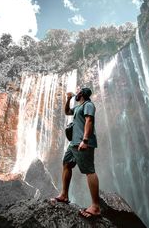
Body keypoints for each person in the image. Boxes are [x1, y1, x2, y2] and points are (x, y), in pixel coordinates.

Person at [51, 87, 101, 219]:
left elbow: (89, 121)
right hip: (73, 143)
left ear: (82, 94)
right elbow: (67, 111)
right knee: (66, 164)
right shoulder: (79, 107)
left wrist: (85, 140)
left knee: (89, 170)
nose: (76, 93)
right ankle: (64, 195)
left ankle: (95, 206)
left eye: (78, 92)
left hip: (83, 143)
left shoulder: (89, 105)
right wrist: (68, 99)